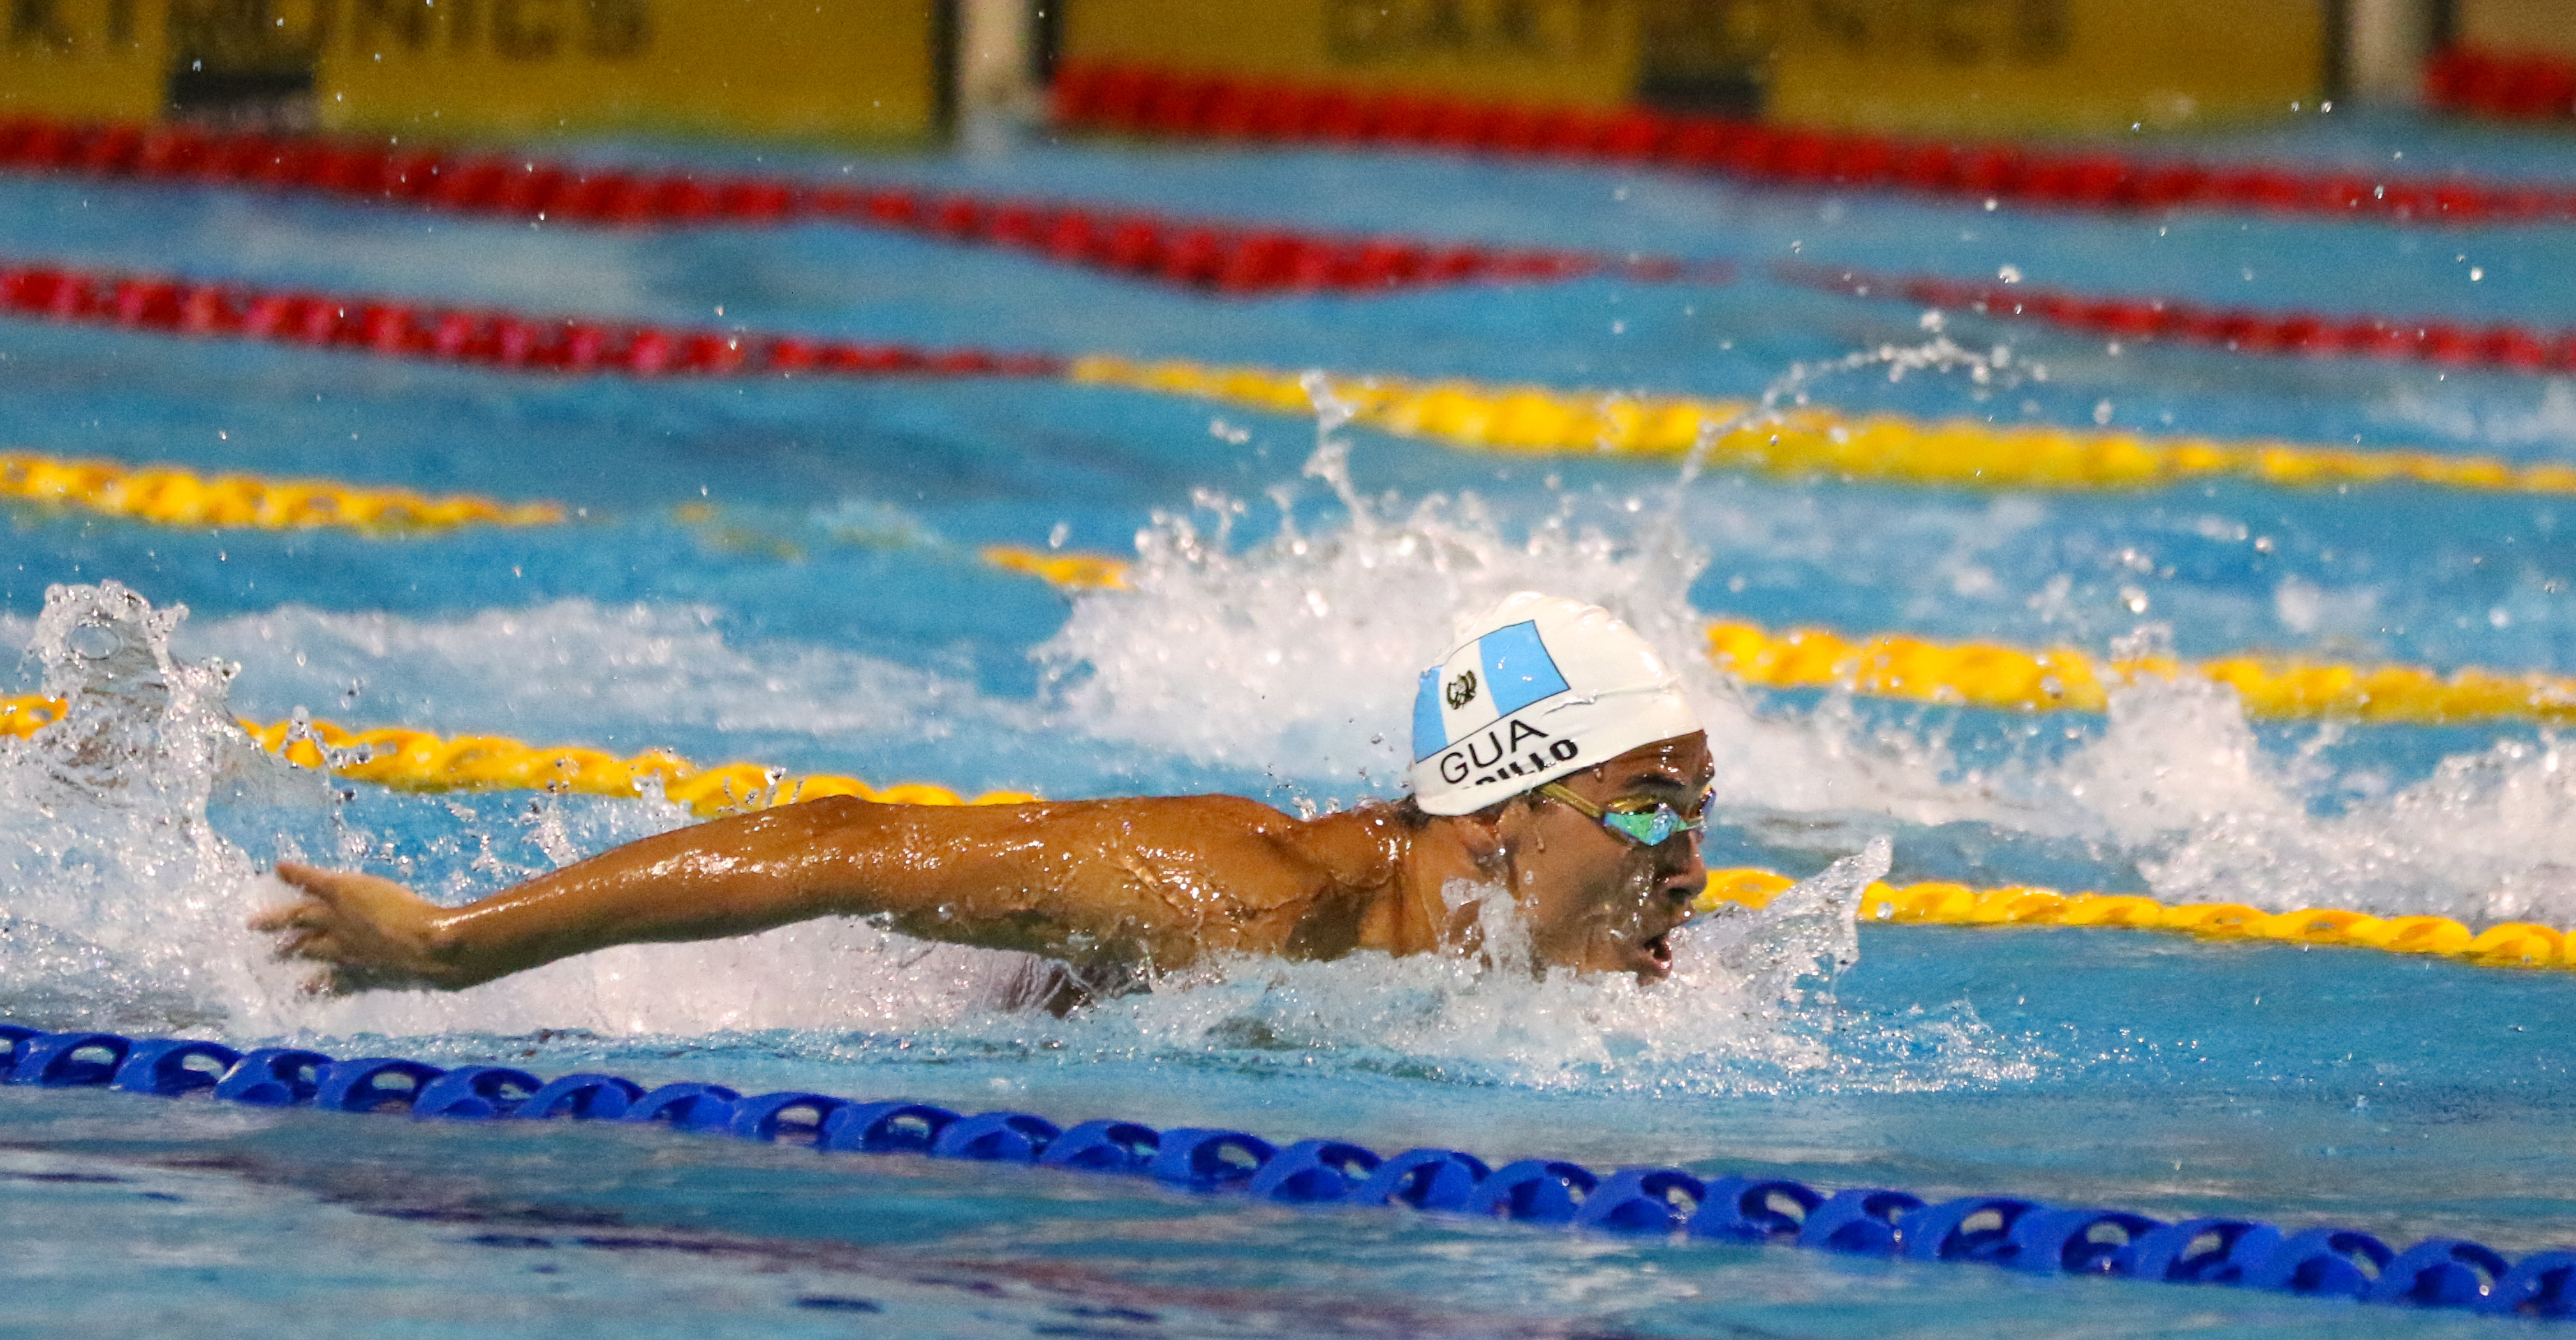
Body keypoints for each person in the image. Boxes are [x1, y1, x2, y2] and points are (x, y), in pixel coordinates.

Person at [255, 593, 1715, 1002]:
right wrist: (454, 945)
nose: (1695, 867)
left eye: (1700, 812)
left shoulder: (1557, 981)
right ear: (1495, 811)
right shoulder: (1248, 898)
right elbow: (839, 844)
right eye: (1650, 809)